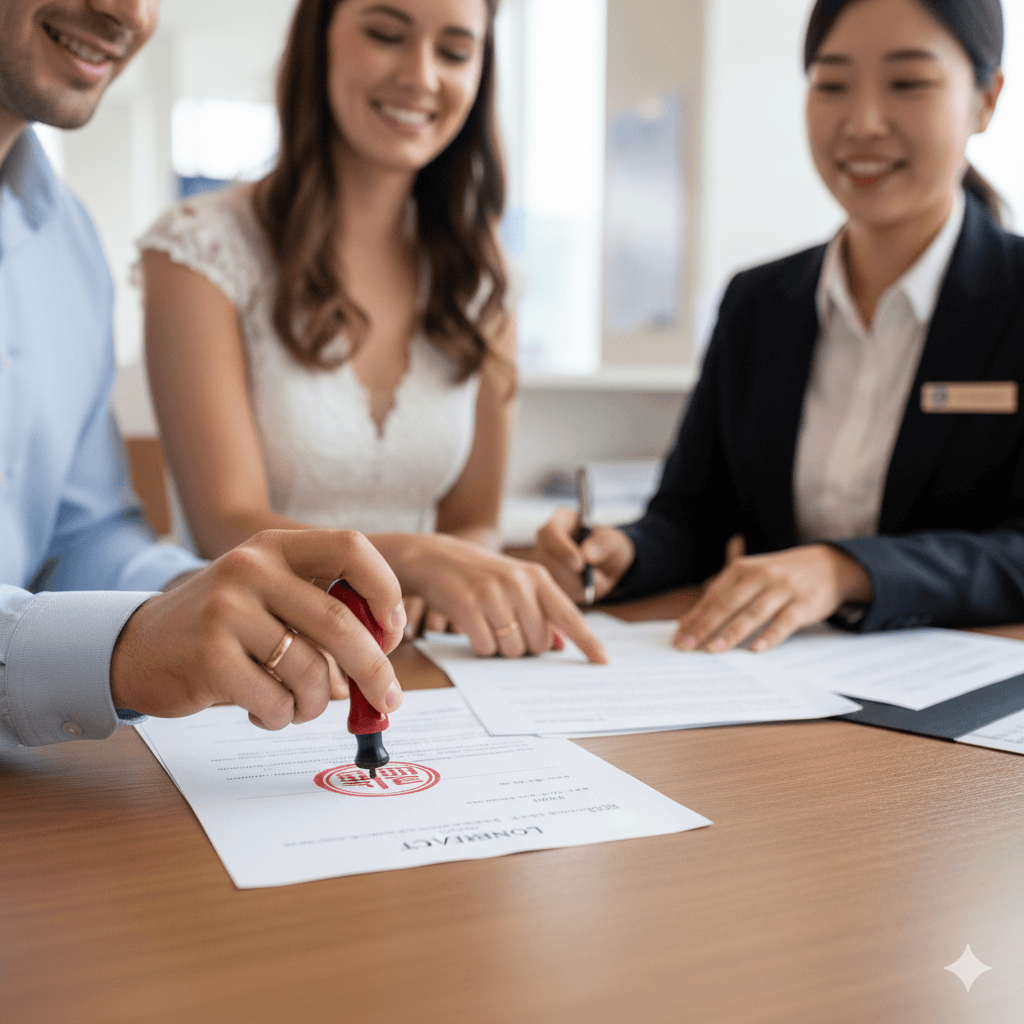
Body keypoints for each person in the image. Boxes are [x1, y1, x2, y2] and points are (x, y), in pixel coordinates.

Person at [539, 0, 1024, 653]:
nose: (863, 122)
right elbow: (692, 516)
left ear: (986, 99)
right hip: (775, 690)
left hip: (967, 713)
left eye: (908, 83)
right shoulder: (758, 301)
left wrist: (842, 569)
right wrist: (622, 550)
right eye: (831, 84)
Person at [0, 0, 415, 750]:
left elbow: (84, 535)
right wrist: (122, 646)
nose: (127, 11)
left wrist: (203, 599)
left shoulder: (68, 242)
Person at [137, 0, 605, 665]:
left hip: (416, 657)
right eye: (386, 34)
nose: (420, 76)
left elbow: (474, 517)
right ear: (319, 40)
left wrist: (443, 577)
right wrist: (408, 561)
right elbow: (226, 523)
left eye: (454, 51)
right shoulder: (198, 249)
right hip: (255, 659)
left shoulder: (485, 279)